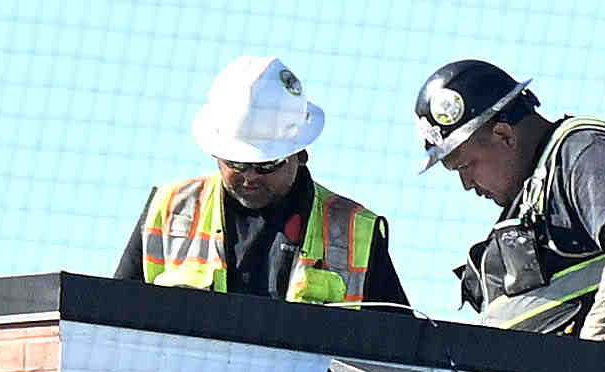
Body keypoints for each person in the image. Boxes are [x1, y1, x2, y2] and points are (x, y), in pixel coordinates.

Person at [412, 56, 605, 347]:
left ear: (503, 135)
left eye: (465, 166)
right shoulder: (528, 201)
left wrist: (592, 358)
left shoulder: (586, 151)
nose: (467, 184)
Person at [123, 59, 400, 301]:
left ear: (300, 154)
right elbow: (115, 324)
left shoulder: (353, 231)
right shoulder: (169, 210)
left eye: (267, 165)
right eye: (236, 163)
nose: (250, 176)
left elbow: (396, 340)